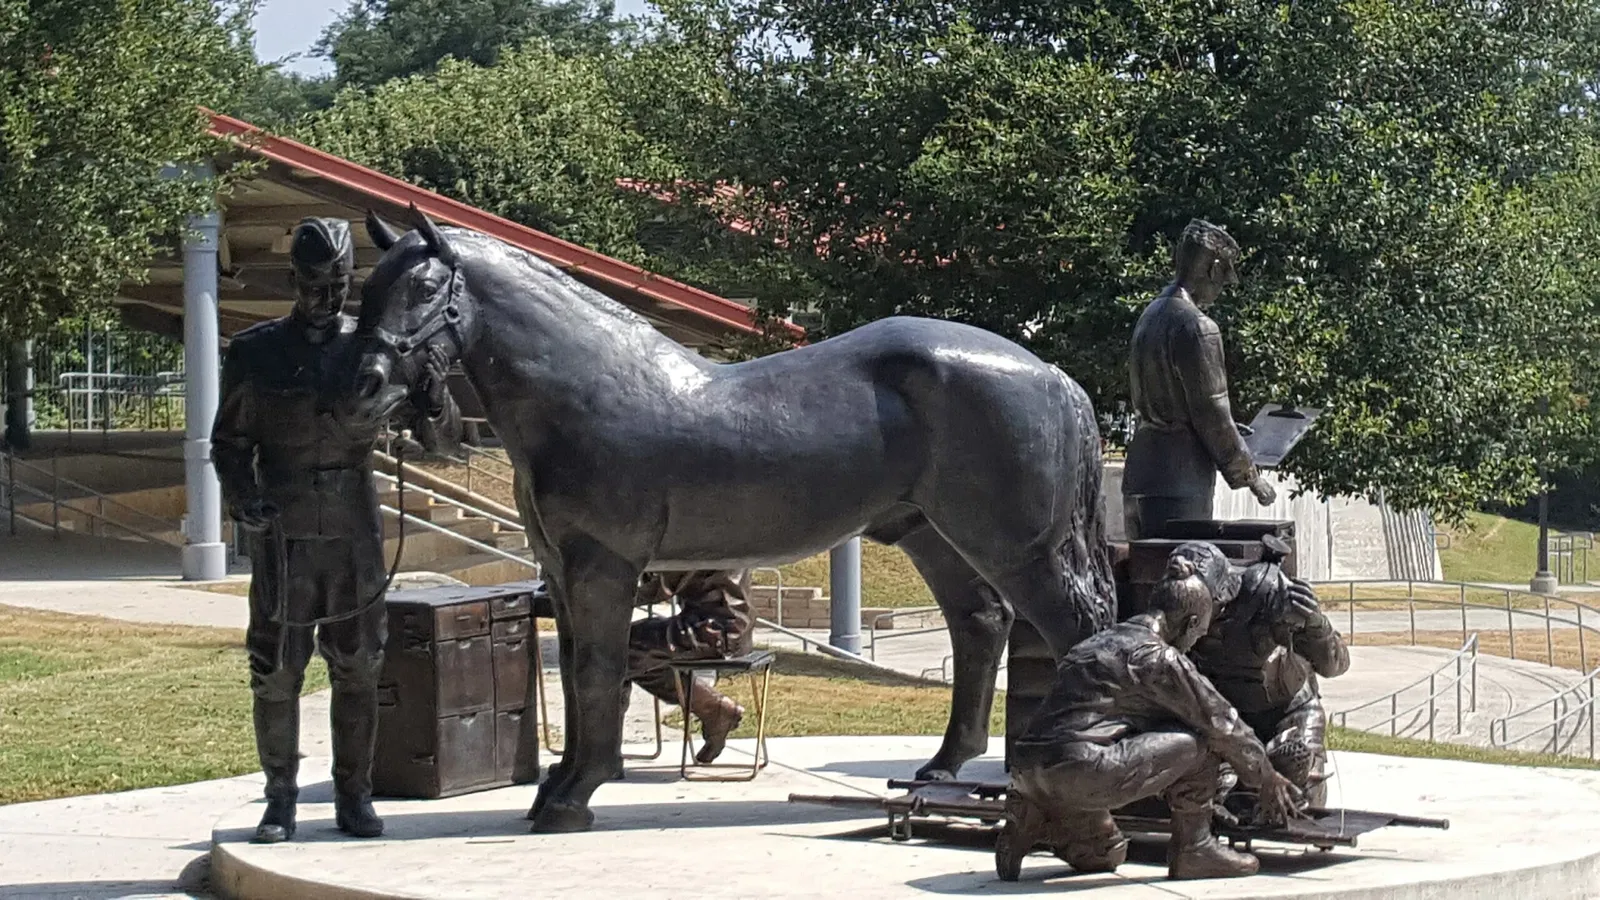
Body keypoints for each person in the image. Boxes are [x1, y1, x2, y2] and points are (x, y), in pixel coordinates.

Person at [211, 217, 461, 844]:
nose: (330, 298)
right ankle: (280, 802)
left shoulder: (370, 347)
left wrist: (433, 397)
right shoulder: (255, 352)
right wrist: (244, 497)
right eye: (318, 284)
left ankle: (355, 796)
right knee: (276, 670)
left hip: (353, 532)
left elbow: (442, 443)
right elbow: (229, 442)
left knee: (360, 666)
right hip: (285, 535)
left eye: (341, 285)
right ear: (294, 279)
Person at [1002, 542, 1303, 882]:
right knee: (1202, 740)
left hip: (1027, 770)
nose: (1202, 635)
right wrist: (1266, 777)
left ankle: (1040, 820)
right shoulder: (1159, 659)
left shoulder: (1100, 641)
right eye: (1204, 627)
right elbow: (1223, 723)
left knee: (1108, 854)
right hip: (1081, 769)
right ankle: (1195, 849)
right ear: (1191, 623)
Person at [1122, 219, 1275, 539]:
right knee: (1183, 581)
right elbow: (1212, 416)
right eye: (1225, 275)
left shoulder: (1150, 315)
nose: (1224, 287)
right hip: (1181, 484)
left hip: (1139, 478)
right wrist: (1251, 476)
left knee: (1142, 581)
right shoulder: (1198, 327)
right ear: (1213, 268)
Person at [1184, 537, 1350, 807]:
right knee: (1220, 796)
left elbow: (1336, 665)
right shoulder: (1207, 616)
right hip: (1227, 716)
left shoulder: (1288, 613)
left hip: (1291, 710)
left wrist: (1318, 626)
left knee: (1301, 787)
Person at [627, 569, 753, 763]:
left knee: (616, 649)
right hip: (727, 628)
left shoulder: (698, 541)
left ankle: (711, 706)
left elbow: (660, 587)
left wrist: (593, 595)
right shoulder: (728, 539)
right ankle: (711, 706)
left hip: (712, 630)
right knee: (628, 649)